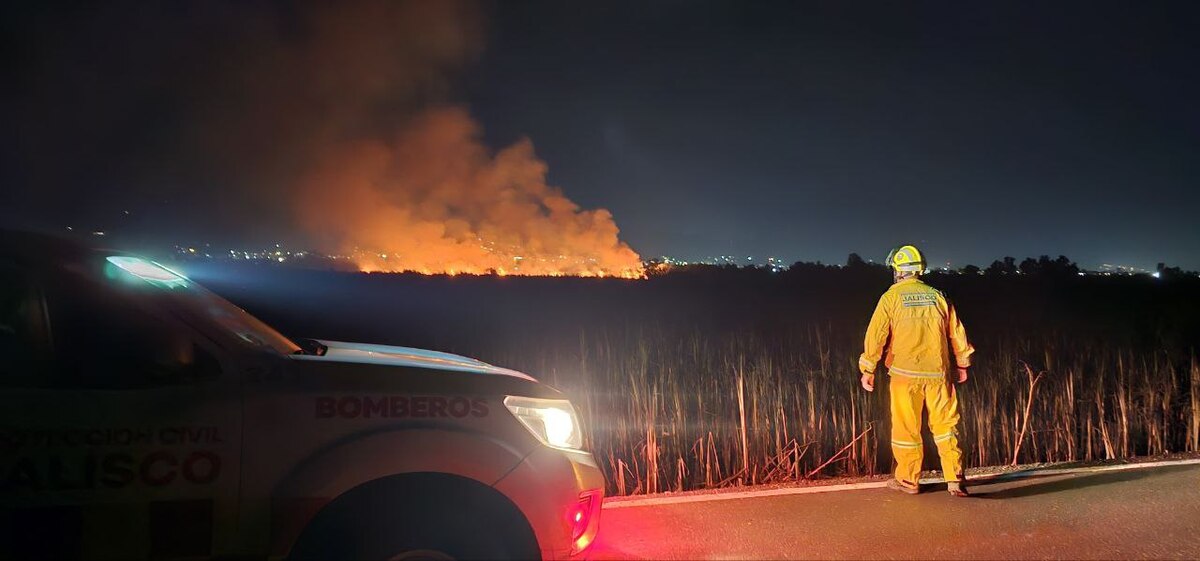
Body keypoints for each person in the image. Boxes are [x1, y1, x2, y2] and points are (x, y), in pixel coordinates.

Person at [858, 245, 975, 497]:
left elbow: (875, 336)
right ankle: (955, 478)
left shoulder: (890, 297)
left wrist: (868, 368)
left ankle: (909, 481)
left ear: (899, 270)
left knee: (906, 429)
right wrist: (962, 363)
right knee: (946, 426)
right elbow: (956, 332)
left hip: (904, 376)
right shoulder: (938, 296)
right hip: (938, 375)